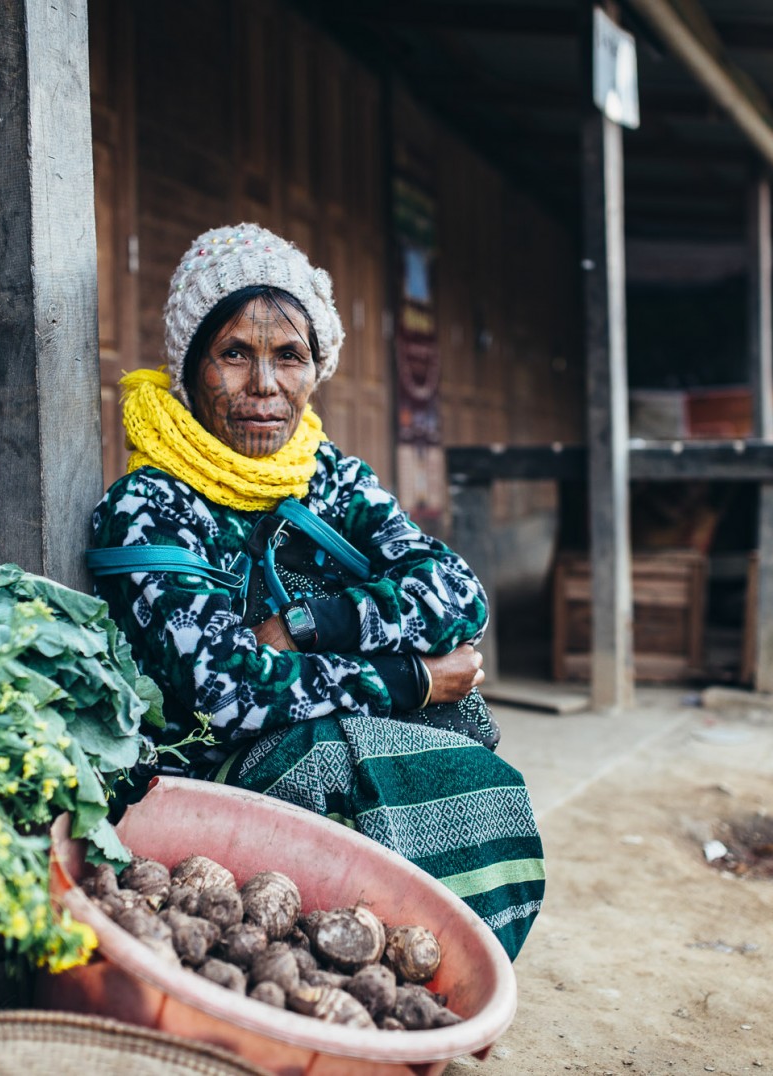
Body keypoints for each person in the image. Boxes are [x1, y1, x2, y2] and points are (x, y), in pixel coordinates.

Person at [88, 223, 543, 958]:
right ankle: (351, 954)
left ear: (316, 367)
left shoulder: (327, 476)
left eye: (288, 357)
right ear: (190, 367)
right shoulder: (151, 504)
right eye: (235, 354)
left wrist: (310, 622)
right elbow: (226, 692)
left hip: (306, 704)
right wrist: (413, 677)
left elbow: (459, 594)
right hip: (200, 772)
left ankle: (443, 958)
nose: (264, 386)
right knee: (336, 760)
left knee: (465, 733)